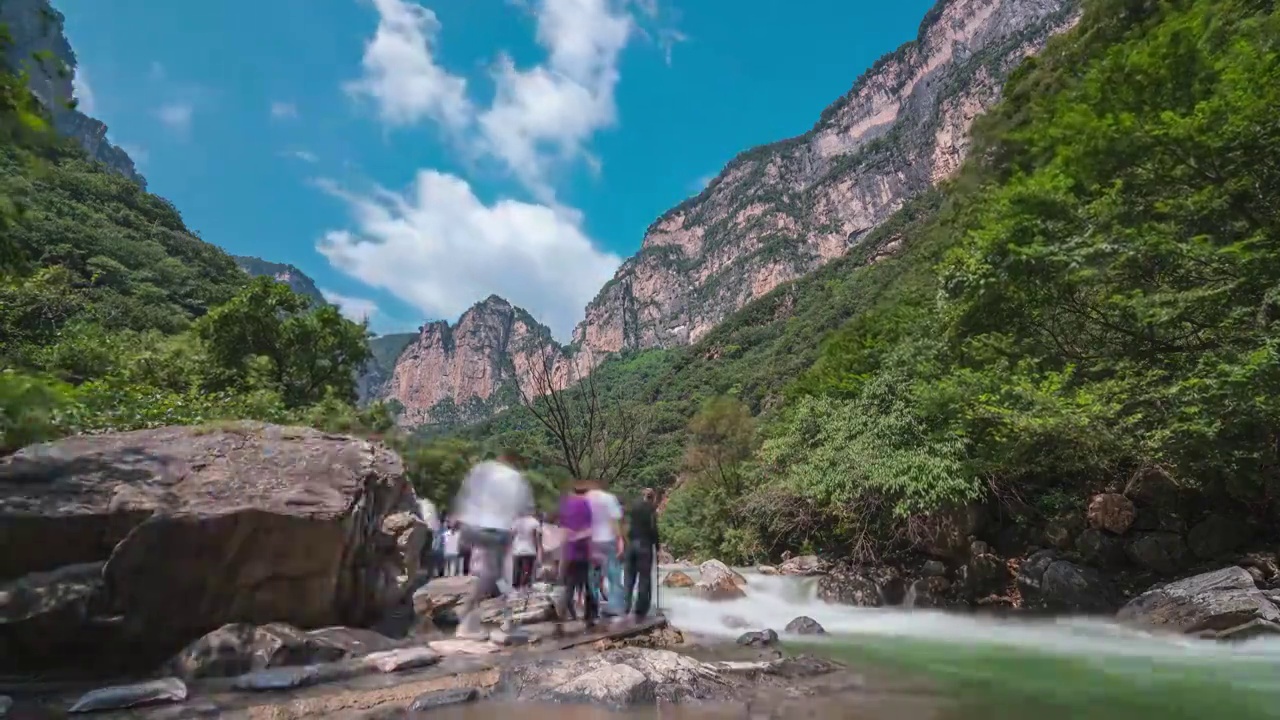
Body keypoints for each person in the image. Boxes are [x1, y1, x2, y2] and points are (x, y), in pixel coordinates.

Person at [451, 451, 534, 640]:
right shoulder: (516, 478)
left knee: (493, 574)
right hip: (495, 530)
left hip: (472, 527)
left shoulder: (482, 468)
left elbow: (464, 494)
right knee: (495, 576)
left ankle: (500, 620)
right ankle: (470, 616)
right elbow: (525, 508)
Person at [554, 479, 596, 634]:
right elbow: (590, 531)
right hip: (583, 552)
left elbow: (563, 533)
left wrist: (563, 555)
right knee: (587, 585)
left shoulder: (566, 506)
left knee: (569, 586)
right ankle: (589, 618)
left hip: (570, 553)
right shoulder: (587, 505)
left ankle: (562, 618)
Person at [585, 480, 625, 619]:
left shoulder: (586, 498)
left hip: (592, 540)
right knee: (614, 575)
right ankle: (614, 607)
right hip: (608, 540)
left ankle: (593, 608)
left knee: (593, 577)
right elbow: (614, 521)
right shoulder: (610, 498)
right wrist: (620, 539)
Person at [623, 487, 661, 621]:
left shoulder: (632, 507)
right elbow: (653, 529)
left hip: (630, 545)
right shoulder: (650, 510)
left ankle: (625, 606)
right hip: (644, 546)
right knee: (644, 579)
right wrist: (657, 546)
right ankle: (640, 610)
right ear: (652, 498)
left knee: (629, 578)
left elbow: (625, 526)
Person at [511, 512, 541, 589]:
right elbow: (536, 538)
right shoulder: (534, 522)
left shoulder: (517, 521)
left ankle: (516, 590)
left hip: (517, 551)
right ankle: (523, 590)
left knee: (517, 572)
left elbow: (512, 534)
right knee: (526, 573)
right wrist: (538, 550)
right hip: (529, 551)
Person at [416, 496, 442, 578]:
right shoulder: (428, 504)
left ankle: (427, 572)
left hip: (425, 529)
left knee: (427, 553)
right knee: (428, 553)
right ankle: (428, 572)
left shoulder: (421, 503)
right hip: (428, 529)